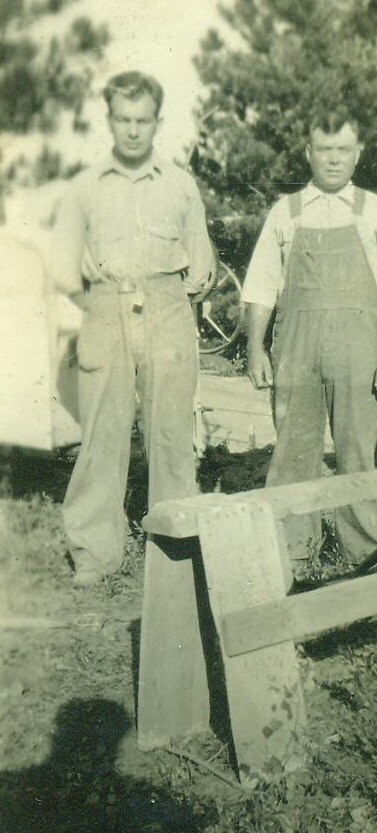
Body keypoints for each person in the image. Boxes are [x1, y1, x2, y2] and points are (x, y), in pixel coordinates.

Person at [51, 71, 216, 585]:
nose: (132, 130)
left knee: (170, 429)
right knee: (102, 431)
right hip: (104, 306)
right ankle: (94, 552)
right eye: (123, 119)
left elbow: (203, 267)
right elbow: (59, 265)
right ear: (109, 120)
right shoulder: (83, 187)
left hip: (166, 303)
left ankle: (174, 544)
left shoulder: (180, 184)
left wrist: (175, 291)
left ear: (157, 122)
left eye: (143, 120)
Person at [242, 111, 377, 577]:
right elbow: (261, 287)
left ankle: (366, 551)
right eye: (325, 150)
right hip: (296, 349)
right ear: (309, 154)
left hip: (358, 350)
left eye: (344, 150)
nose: (335, 159)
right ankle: (290, 552)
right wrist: (256, 348)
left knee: (357, 450)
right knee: (293, 450)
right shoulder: (286, 211)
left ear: (357, 153)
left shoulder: (374, 210)